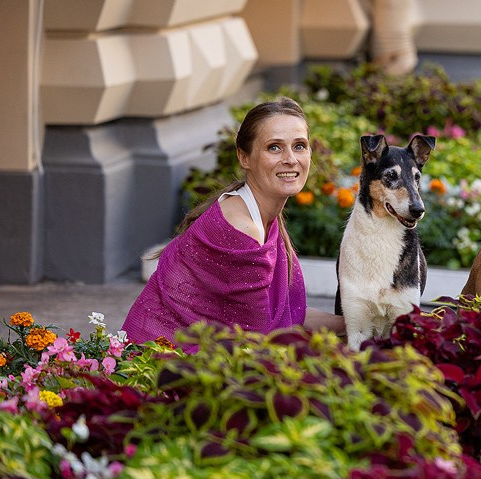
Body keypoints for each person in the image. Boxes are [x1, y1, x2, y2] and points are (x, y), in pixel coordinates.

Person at [123, 96, 345, 345]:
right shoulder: (241, 228)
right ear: (244, 158)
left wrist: (359, 325)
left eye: (299, 146)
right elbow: (260, 339)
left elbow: (289, 317)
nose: (291, 159)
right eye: (274, 147)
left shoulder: (260, 213)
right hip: (158, 363)